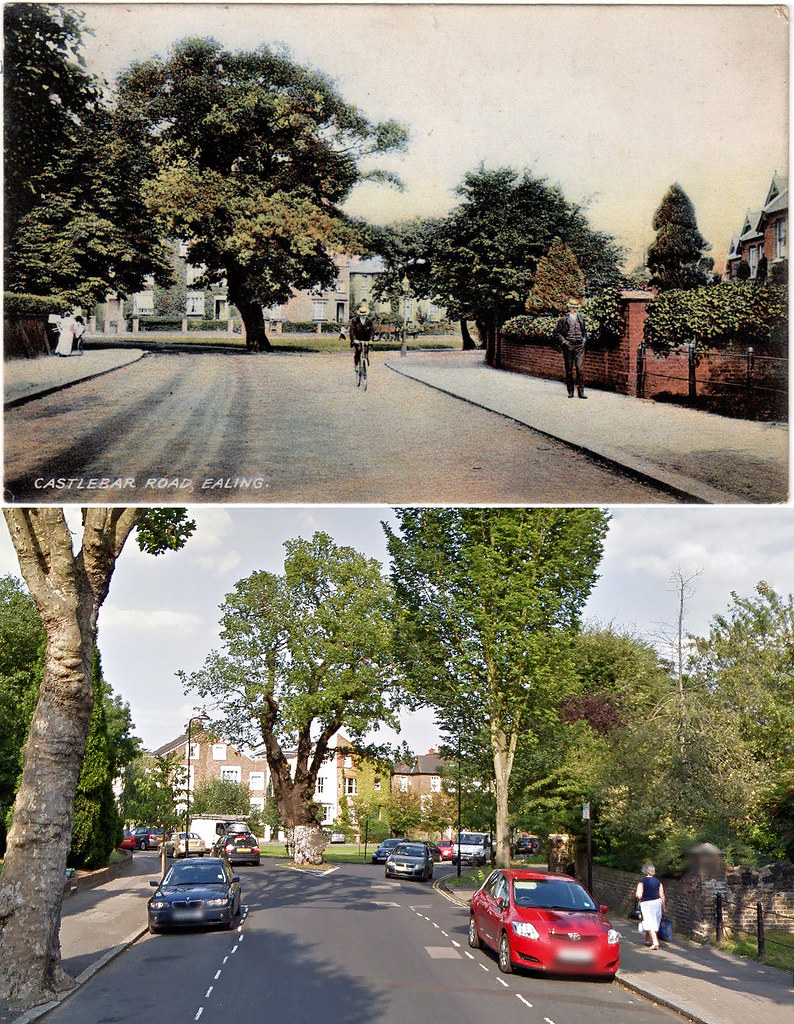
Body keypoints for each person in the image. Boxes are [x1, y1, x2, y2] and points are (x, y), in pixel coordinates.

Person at [553, 298, 588, 399]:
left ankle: (581, 392)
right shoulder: (563, 319)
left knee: (580, 369)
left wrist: (584, 339)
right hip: (568, 346)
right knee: (569, 370)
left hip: (579, 346)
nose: (575, 309)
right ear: (569, 307)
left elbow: (584, 331)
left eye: (576, 307)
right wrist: (564, 342)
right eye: (573, 307)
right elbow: (556, 333)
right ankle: (571, 391)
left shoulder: (580, 318)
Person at [635, 861, 666, 949]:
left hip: (647, 903)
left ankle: (655, 942)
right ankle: (648, 940)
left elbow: (639, 894)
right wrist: (664, 907)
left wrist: (638, 897)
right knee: (654, 921)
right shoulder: (658, 881)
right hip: (657, 902)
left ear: (644, 870)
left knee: (649, 922)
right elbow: (662, 895)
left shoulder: (642, 881)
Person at [349, 301, 375, 371]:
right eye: (361, 315)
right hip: (357, 338)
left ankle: (365, 361)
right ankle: (356, 364)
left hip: (366, 338)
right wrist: (354, 339)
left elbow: (372, 331)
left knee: (366, 350)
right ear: (359, 314)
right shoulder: (354, 320)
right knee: (358, 349)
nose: (363, 316)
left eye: (364, 315)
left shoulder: (369, 321)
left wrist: (370, 339)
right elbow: (352, 331)